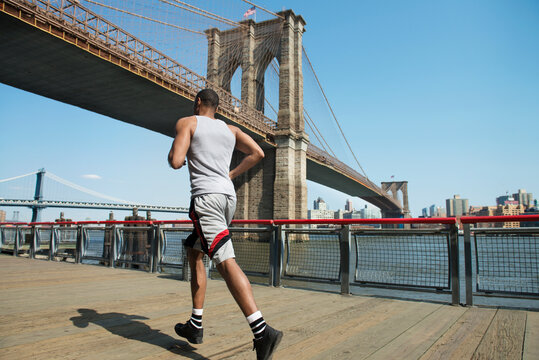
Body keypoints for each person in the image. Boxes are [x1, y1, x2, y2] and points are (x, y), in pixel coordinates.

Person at [168, 88, 283, 359]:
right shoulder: (230, 130)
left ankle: (262, 331)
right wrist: (230, 173)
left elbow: (175, 162)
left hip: (206, 199)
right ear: (216, 107)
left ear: (198, 103)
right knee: (195, 251)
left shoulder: (188, 122)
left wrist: (178, 154)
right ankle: (195, 325)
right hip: (227, 198)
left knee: (225, 260)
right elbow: (258, 153)